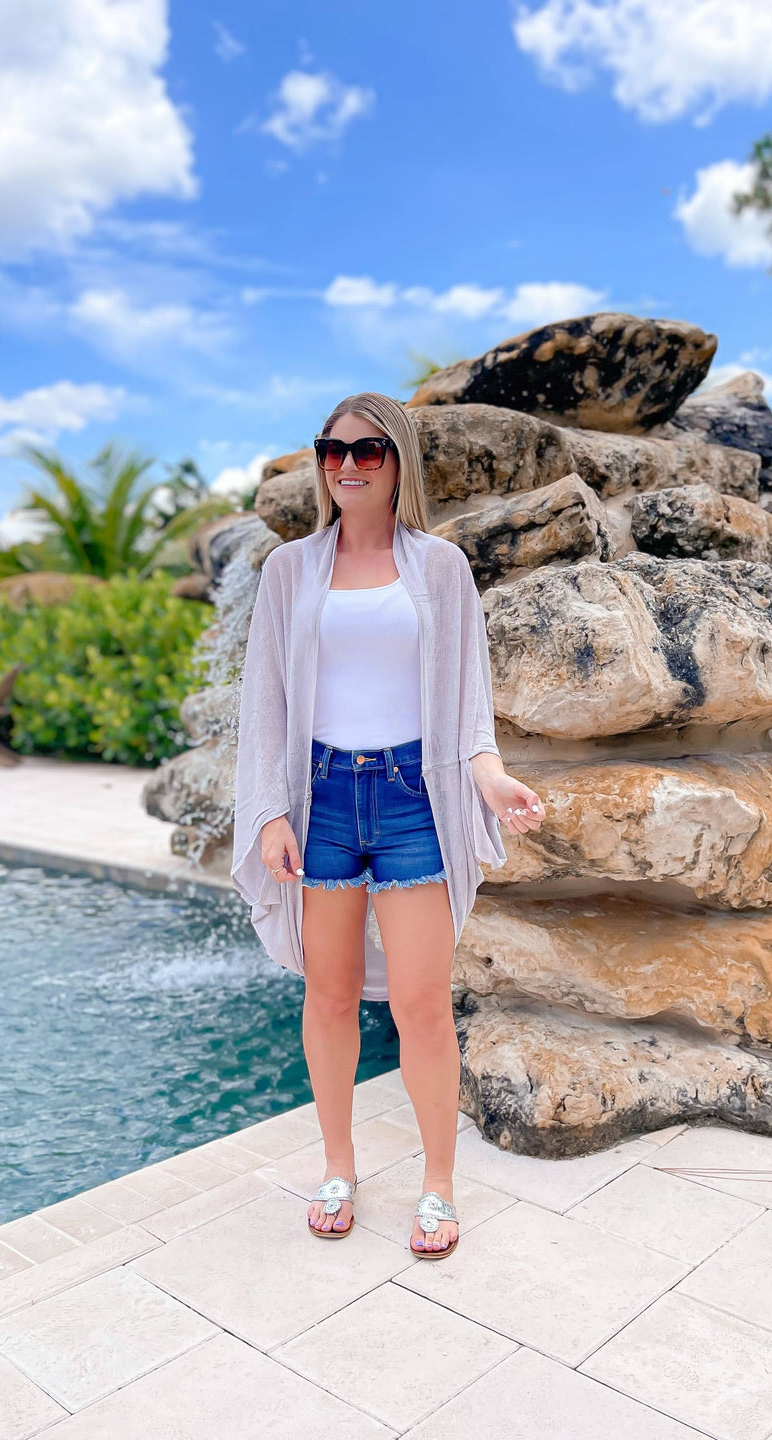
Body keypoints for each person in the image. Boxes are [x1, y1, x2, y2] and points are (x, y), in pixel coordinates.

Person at [232, 391, 544, 1259]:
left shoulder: (441, 568)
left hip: (413, 796)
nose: (346, 465)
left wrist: (491, 780)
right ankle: (338, 1167)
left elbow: (470, 703)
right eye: (331, 450)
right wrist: (269, 813)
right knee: (328, 996)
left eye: (367, 450)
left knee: (422, 1005)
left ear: (398, 461)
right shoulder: (288, 571)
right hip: (320, 797)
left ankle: (438, 1184)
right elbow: (264, 703)